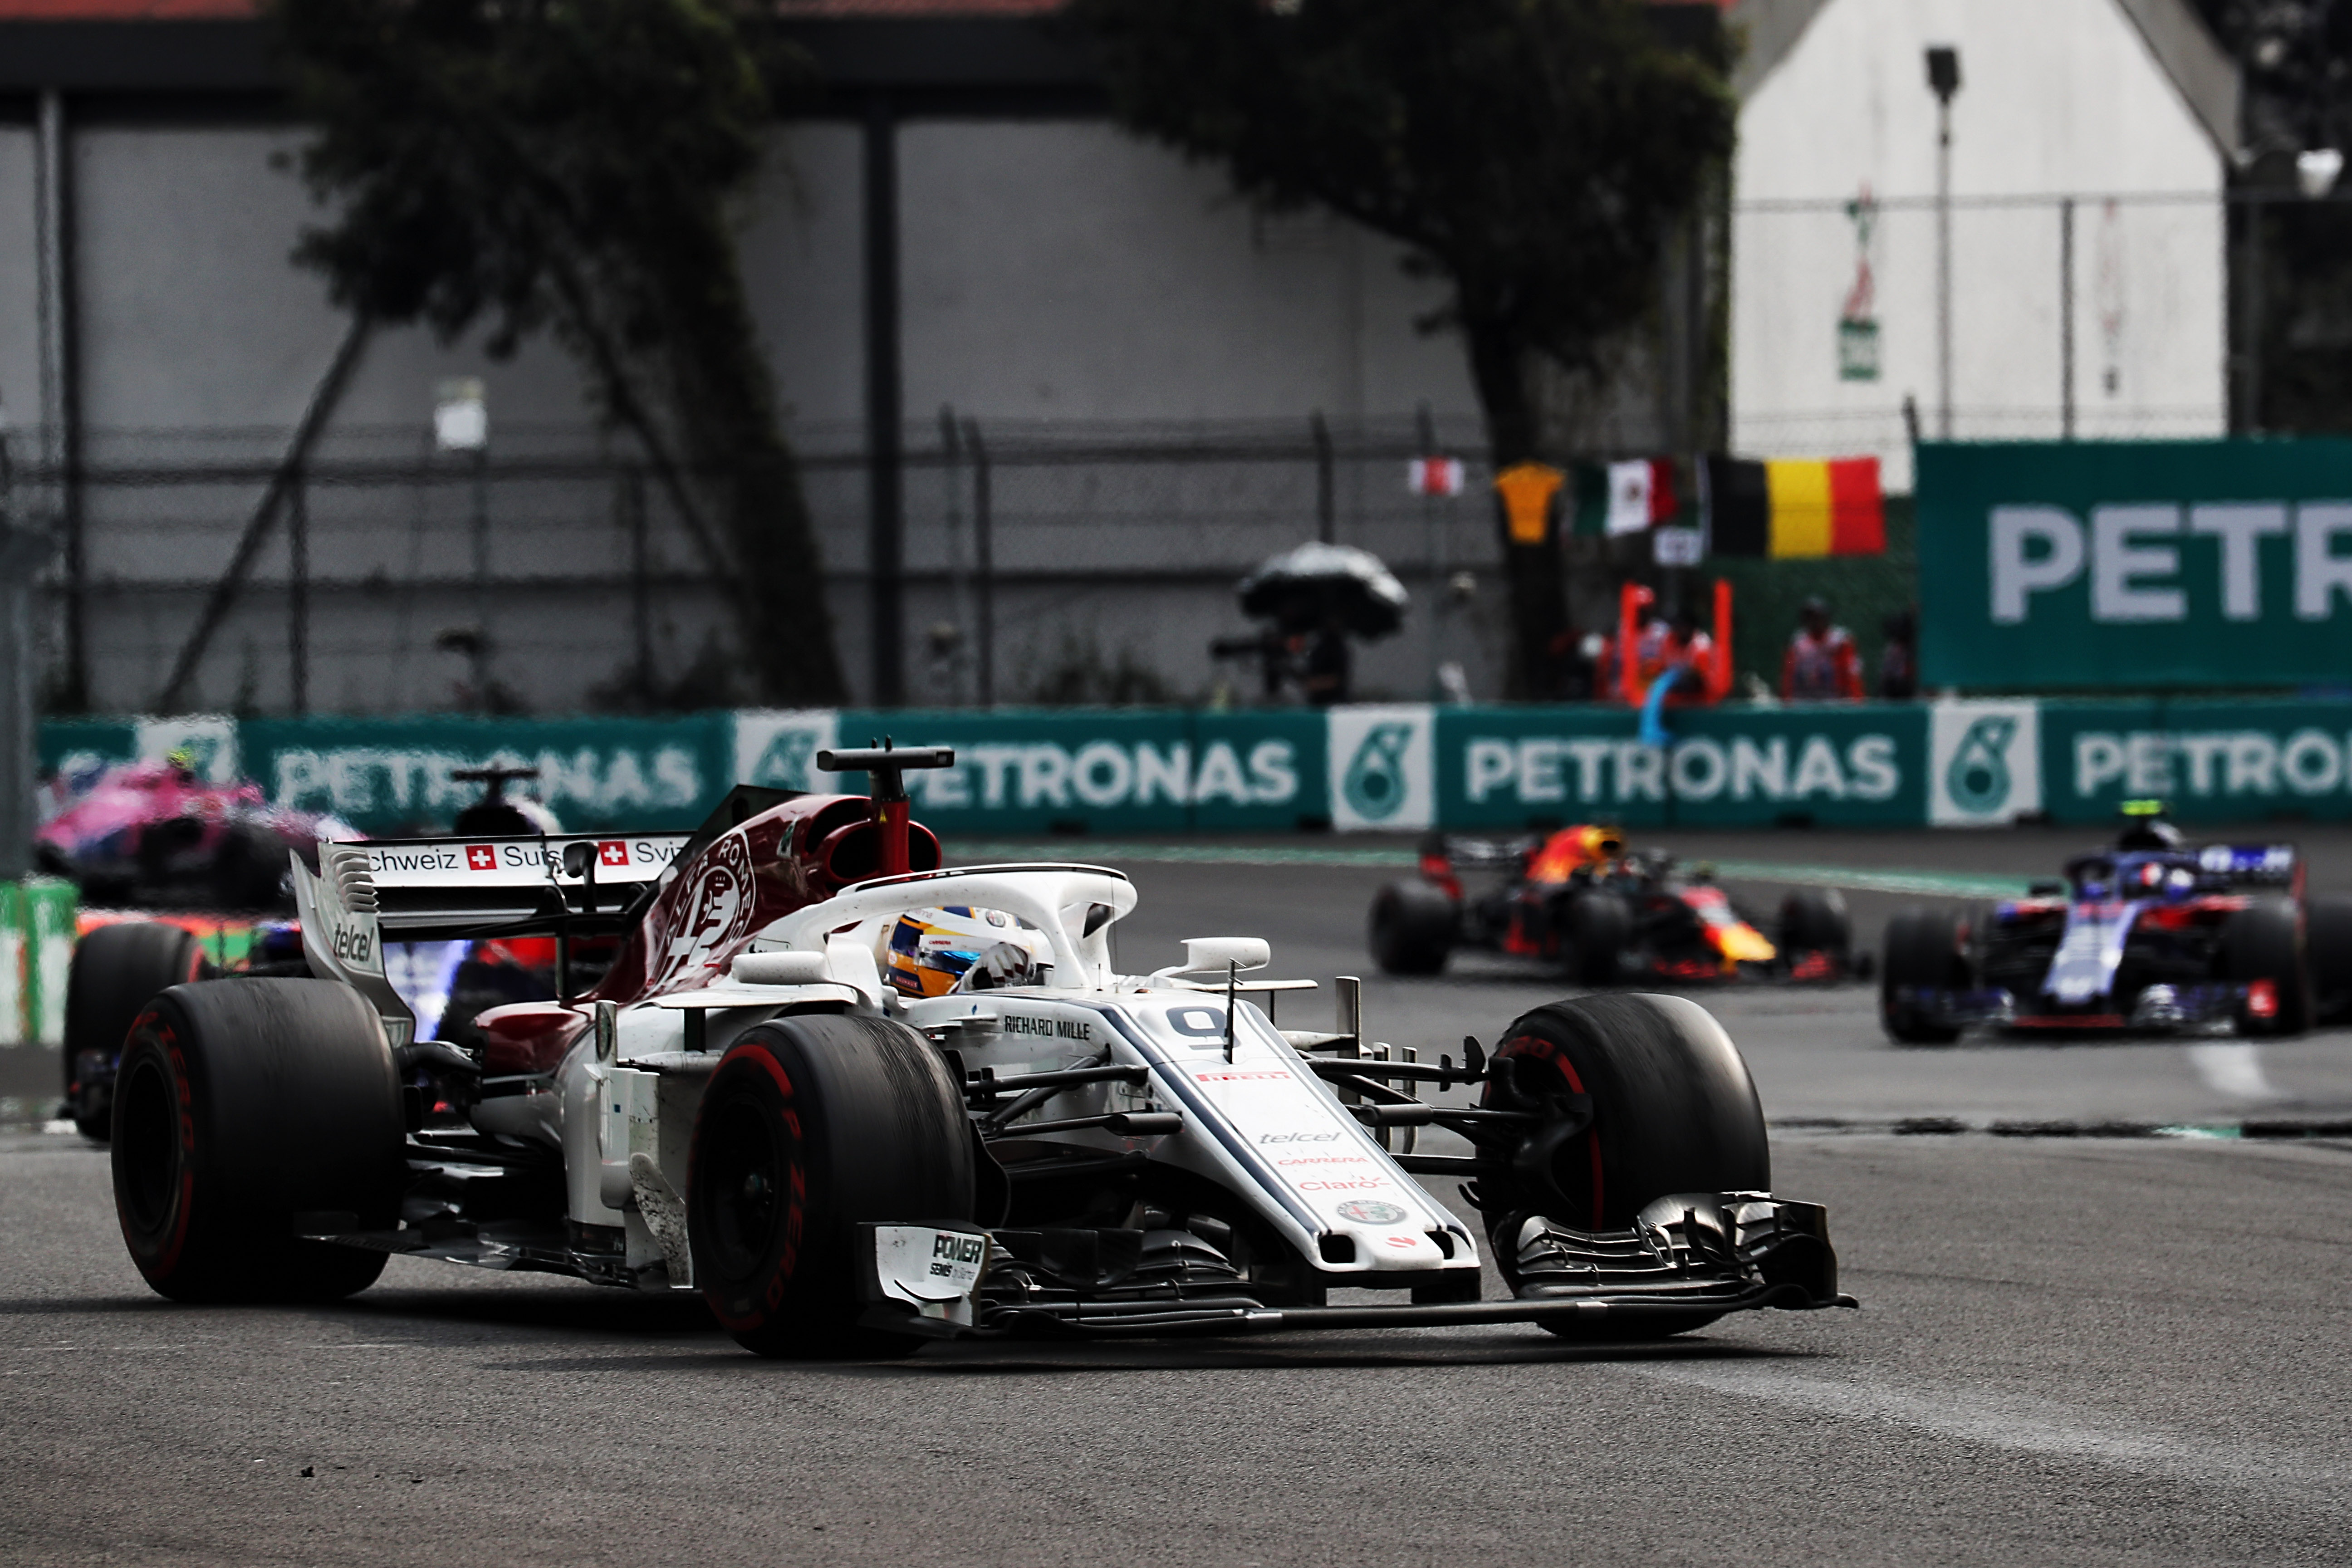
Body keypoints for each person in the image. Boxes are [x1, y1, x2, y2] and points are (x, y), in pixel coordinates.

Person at [1783, 596, 1864, 701]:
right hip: (1804, 700)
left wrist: (1856, 701)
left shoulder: (1840, 641)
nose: (1815, 621)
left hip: (1835, 701)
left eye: (1818, 617)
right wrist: (1787, 701)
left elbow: (1852, 674)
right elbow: (1789, 674)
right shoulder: (1797, 643)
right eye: (1810, 617)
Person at [1879, 608, 1918, 700]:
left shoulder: (1919, 649)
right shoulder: (1893, 650)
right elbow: (1887, 680)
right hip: (1895, 694)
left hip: (1913, 695)